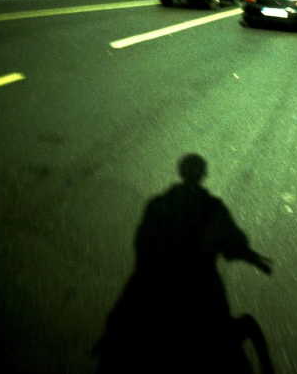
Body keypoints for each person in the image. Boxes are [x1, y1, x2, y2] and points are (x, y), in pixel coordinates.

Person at [93, 154, 273, 373]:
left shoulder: (159, 204)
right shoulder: (212, 207)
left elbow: (143, 244)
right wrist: (251, 257)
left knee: (122, 327)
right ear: (203, 174)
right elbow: (232, 244)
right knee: (228, 346)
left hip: (157, 282)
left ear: (180, 171)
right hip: (201, 287)